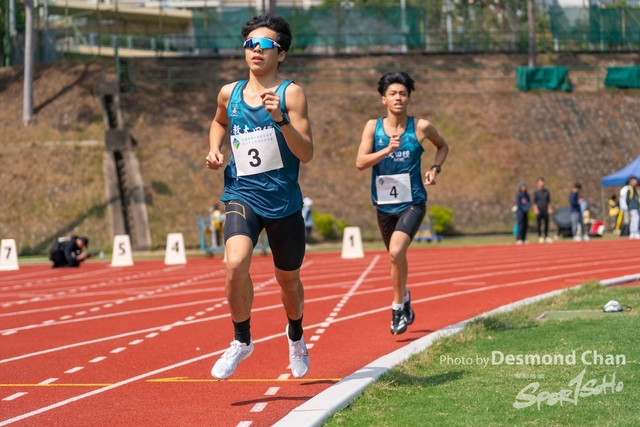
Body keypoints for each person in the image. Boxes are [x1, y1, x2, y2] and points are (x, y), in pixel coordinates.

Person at [205, 15, 313, 380]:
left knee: (288, 282)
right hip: (242, 192)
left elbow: (307, 153)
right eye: (250, 44)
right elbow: (220, 121)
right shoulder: (229, 92)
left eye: (265, 44)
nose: (255, 50)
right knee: (235, 263)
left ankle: (295, 334)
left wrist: (280, 119)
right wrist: (215, 148)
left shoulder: (291, 94)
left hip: (283, 202)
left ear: (280, 54)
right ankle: (242, 339)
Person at [356, 71, 449, 335]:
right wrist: (386, 150)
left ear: (409, 98)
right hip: (384, 204)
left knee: (397, 252)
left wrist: (435, 169)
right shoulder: (372, 127)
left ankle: (397, 308)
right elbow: (360, 162)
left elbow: (443, 147)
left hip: (413, 202)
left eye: (403, 94)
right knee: (394, 258)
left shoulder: (420, 127)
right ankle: (404, 296)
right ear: (383, 99)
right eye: (393, 94)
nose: (398, 98)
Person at [533, 177, 553, 243]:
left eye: (542, 182)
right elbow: (534, 202)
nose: (541, 183)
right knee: (539, 223)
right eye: (540, 182)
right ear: (537, 183)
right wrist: (536, 209)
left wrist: (549, 208)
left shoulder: (546, 191)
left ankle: (546, 236)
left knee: (546, 223)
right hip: (539, 209)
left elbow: (549, 201)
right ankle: (540, 236)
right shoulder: (536, 192)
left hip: (545, 209)